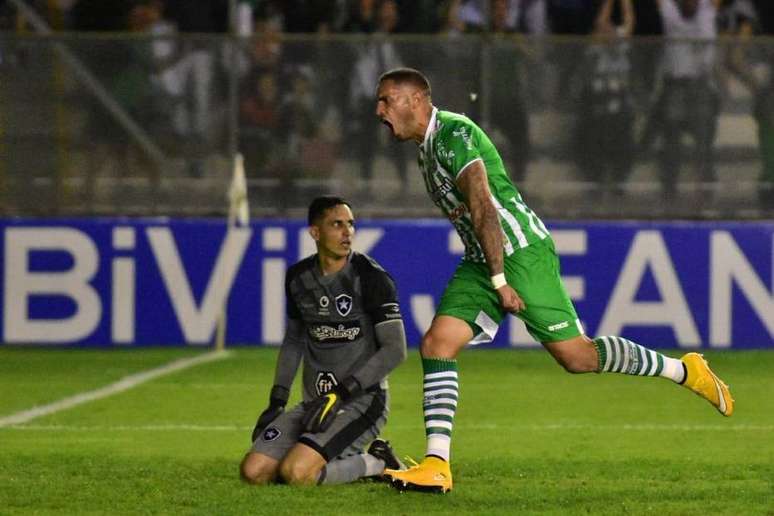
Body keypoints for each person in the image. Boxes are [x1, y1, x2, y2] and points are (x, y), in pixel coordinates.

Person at [374, 67, 734, 494]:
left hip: (520, 254)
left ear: (416, 100)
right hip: (482, 257)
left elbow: (484, 207)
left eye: (386, 100)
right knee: (437, 344)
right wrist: (489, 270)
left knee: (577, 357)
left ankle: (684, 369)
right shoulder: (427, 148)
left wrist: (500, 279)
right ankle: (437, 464)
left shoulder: (456, 134)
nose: (378, 110)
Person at [240, 196, 407, 486]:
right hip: (315, 403)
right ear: (315, 232)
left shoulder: (372, 278)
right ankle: (322, 455)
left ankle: (377, 462)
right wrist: (277, 400)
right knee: (253, 472)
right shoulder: (298, 278)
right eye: (337, 224)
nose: (347, 232)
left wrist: (341, 393)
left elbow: (395, 350)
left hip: (361, 402)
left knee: (296, 474)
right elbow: (294, 340)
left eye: (351, 224)